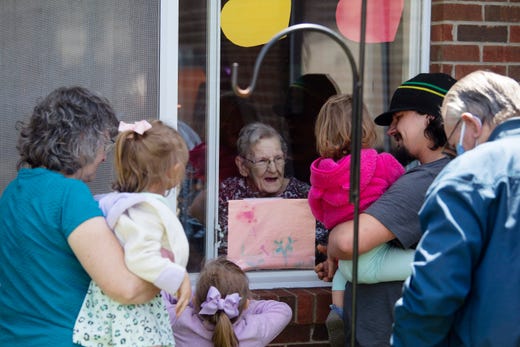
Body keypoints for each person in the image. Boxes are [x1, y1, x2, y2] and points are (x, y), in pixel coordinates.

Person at [0, 86, 159, 347]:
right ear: (83, 138)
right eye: (104, 142)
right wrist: (169, 275)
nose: (105, 156)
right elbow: (126, 288)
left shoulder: (13, 191)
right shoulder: (69, 194)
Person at [320, 73, 457, 346]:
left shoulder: (424, 180)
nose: (391, 129)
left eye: (399, 118)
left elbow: (348, 241)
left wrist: (335, 246)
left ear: (430, 115)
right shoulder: (448, 171)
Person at [392, 70, 520, 346]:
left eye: (453, 147)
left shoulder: (471, 172)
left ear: (470, 124)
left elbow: (434, 291)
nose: (455, 155)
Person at [73, 119, 191, 346]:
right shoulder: (144, 210)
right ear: (174, 170)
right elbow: (141, 257)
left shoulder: (125, 205)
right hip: (133, 315)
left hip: (122, 310)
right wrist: (178, 277)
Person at [308, 94, 411, 346]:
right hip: (374, 255)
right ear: (365, 127)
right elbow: (403, 193)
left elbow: (317, 208)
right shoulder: (382, 163)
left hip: (346, 263)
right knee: (431, 261)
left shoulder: (321, 174)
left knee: (343, 273)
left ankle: (339, 313)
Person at [217, 122, 328, 257]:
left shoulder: (304, 195)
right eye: (262, 161)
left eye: (278, 158)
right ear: (242, 166)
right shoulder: (229, 192)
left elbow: (323, 249)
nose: (273, 169)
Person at [163, 256, 292, 347]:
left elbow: (160, 296)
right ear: (244, 302)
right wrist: (245, 306)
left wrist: (188, 298)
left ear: (197, 299)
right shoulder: (254, 330)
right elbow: (283, 310)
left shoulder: (180, 319)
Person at [276, 73, 340, 184]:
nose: (291, 126)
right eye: (288, 118)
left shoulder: (342, 172)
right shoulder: (278, 170)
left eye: (302, 119)